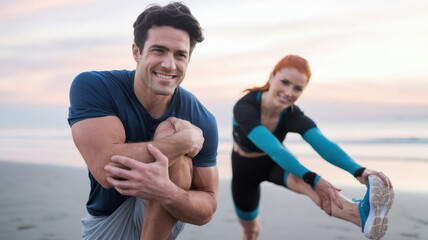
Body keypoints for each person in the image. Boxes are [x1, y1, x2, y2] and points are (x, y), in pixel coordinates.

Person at [68, 2, 219, 240]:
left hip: (165, 217)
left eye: (180, 55)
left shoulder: (201, 117)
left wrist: (166, 191)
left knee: (170, 130)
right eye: (158, 50)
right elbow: (106, 170)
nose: (169, 64)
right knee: (175, 133)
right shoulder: (95, 86)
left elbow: (207, 207)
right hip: (109, 220)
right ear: (137, 52)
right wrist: (184, 141)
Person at [231, 54, 394, 240]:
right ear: (271, 77)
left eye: (297, 88)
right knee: (251, 231)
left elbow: (321, 142)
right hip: (245, 170)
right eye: (284, 82)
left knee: (307, 183)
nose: (289, 92)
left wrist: (358, 170)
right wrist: (315, 178)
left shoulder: (292, 115)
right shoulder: (245, 107)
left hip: (276, 164)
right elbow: (274, 149)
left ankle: (360, 215)